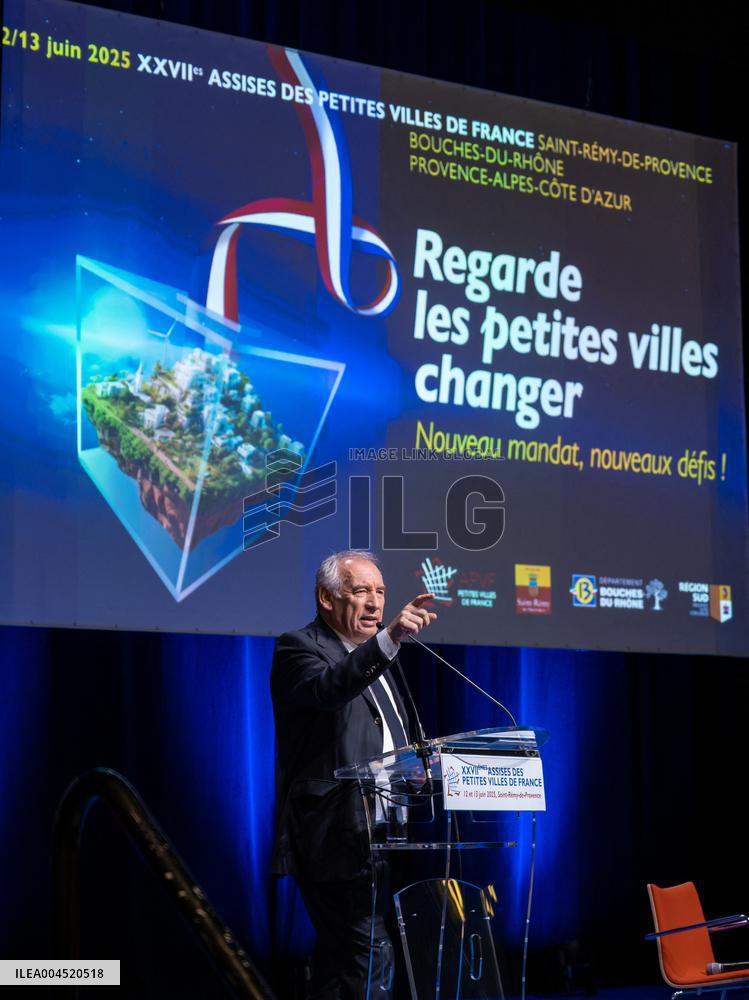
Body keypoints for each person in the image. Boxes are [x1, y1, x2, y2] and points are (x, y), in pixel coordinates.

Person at [270, 549, 436, 999]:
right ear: (327, 598)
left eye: (380, 592)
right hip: (335, 833)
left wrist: (422, 766)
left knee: (344, 962)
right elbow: (329, 690)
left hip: (387, 831)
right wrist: (388, 641)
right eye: (361, 590)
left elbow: (390, 737)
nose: (375, 603)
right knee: (369, 952)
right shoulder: (298, 647)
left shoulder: (380, 658)